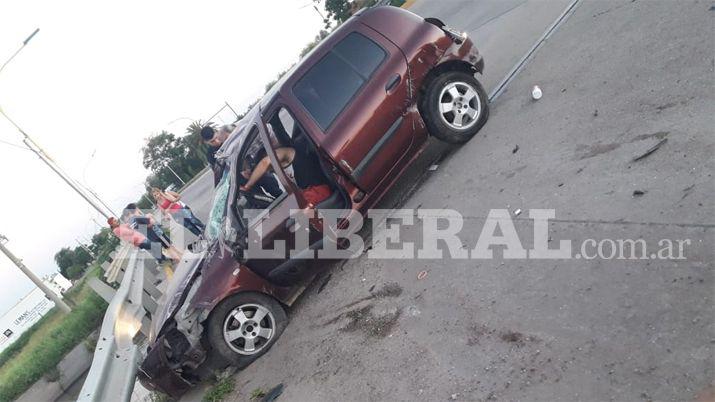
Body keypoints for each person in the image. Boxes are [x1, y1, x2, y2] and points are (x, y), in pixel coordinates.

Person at [240, 142, 331, 206]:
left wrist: (247, 186)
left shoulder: (287, 152)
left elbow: (265, 162)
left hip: (319, 190)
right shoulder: (281, 168)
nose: (269, 170)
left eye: (269, 168)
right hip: (310, 194)